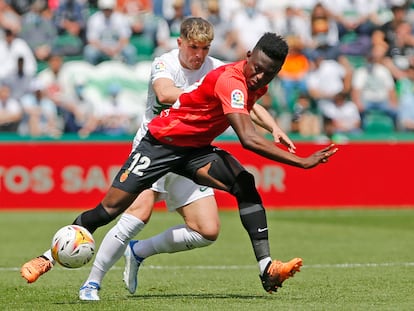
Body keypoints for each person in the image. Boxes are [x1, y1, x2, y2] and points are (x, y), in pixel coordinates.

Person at [22, 32, 337, 297]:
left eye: (268, 73)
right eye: (256, 68)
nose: (259, 76)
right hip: (160, 144)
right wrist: (303, 162)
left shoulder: (255, 84)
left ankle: (267, 268)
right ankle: (47, 257)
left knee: (244, 184)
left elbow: (249, 109)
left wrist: (274, 127)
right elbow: (247, 139)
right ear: (248, 55)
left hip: (195, 151)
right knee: (109, 211)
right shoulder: (230, 78)